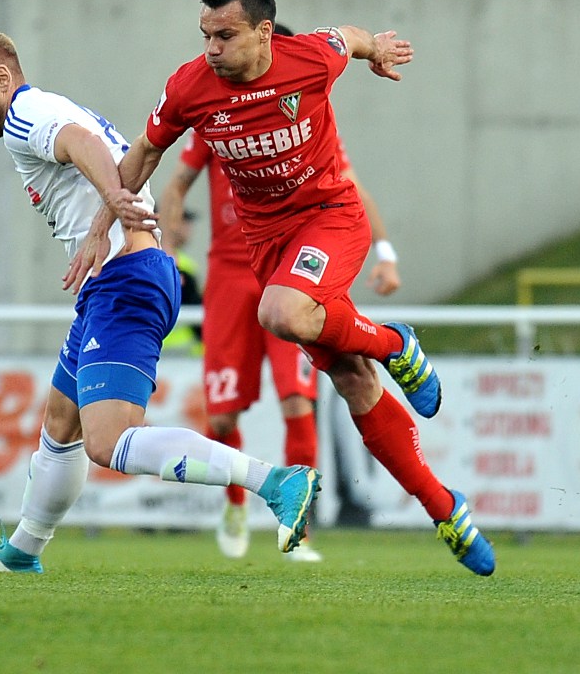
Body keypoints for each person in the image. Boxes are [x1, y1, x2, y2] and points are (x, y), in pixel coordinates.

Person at [68, 0, 495, 576]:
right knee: (351, 378)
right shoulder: (190, 87)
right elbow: (144, 153)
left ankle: (394, 343)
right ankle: (443, 507)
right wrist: (101, 222)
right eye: (205, 35)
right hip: (268, 248)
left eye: (225, 35)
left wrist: (377, 49)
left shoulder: (309, 59)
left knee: (281, 312)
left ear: (265, 32)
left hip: (330, 219)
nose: (211, 48)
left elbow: (349, 37)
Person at [0, 28, 321, 573]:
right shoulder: (39, 110)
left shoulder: (26, 113)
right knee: (61, 421)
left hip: (126, 281)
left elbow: (79, 141)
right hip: (115, 283)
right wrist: (110, 208)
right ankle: (23, 551)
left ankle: (276, 482)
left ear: (1, 78)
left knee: (108, 441)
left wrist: (113, 200)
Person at [160, 100, 401, 563]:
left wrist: (385, 253)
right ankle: (235, 504)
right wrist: (166, 251)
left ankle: (298, 530)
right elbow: (176, 184)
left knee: (297, 402)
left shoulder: (306, 115)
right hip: (230, 277)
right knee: (222, 418)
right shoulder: (216, 116)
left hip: (286, 272)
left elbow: (350, 184)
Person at [160, 208, 204, 354]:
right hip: (180, 350)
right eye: (184, 221)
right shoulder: (182, 266)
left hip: (155, 347)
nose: (189, 228)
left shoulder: (184, 262)